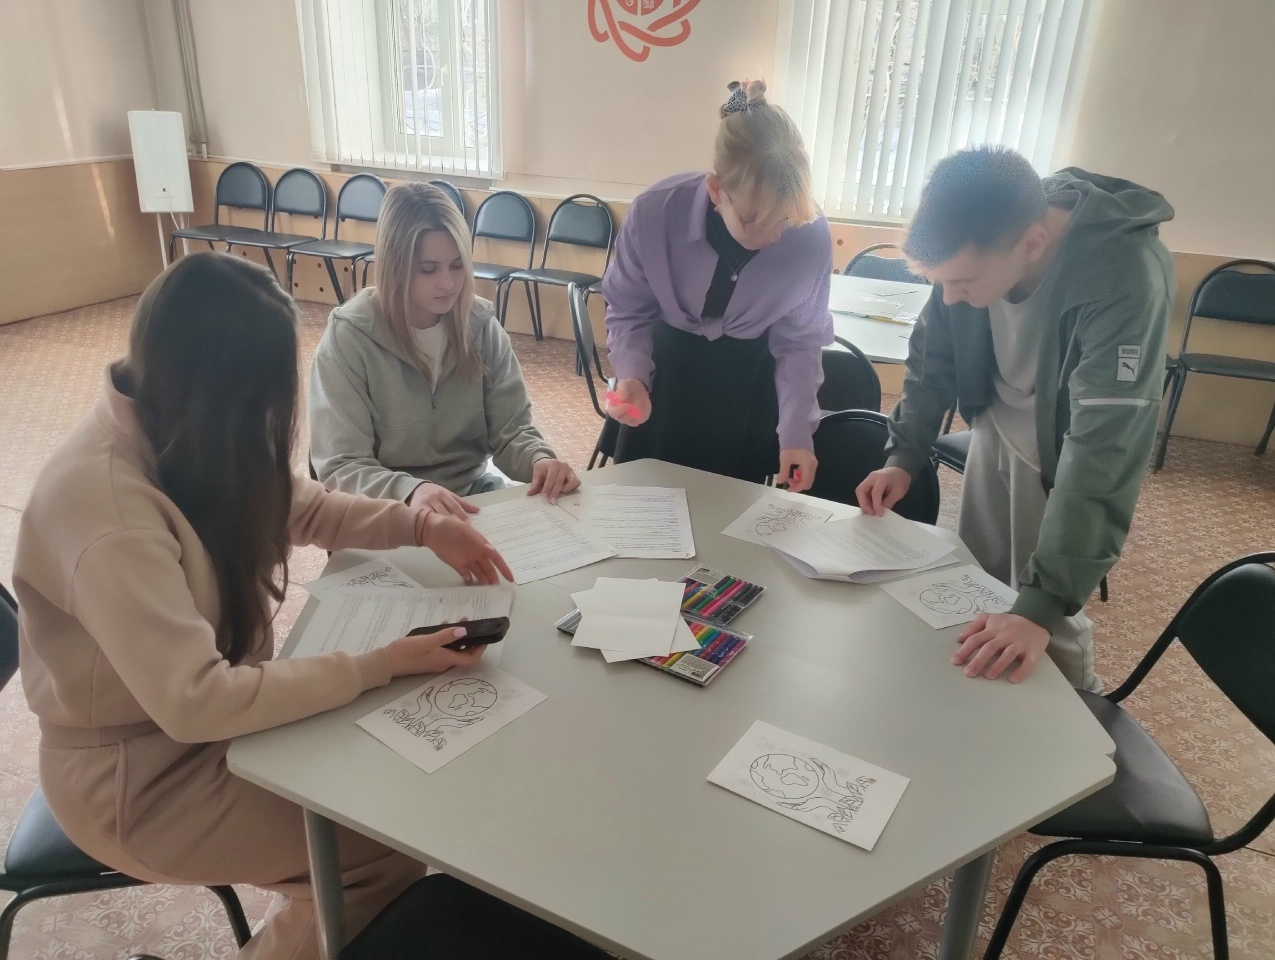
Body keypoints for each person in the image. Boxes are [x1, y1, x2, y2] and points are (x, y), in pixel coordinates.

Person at [14, 252, 515, 958]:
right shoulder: (106, 509)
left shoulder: (178, 423)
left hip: (204, 731)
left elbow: (303, 506)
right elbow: (197, 702)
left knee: (383, 794)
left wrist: (422, 525)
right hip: (139, 781)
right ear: (221, 392)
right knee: (375, 853)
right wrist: (379, 664)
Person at [856, 147, 1175, 691]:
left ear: (1032, 245)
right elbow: (933, 356)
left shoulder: (1126, 276)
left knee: (1043, 617)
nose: (948, 297)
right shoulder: (974, 241)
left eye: (963, 282)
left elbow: (1105, 449)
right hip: (996, 419)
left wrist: (1043, 604)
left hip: (1065, 446)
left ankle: (1082, 708)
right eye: (940, 282)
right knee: (981, 583)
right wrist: (904, 454)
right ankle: (988, 703)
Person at [603, 79, 833, 491]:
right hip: (664, 375)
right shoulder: (656, 212)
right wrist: (632, 375)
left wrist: (797, 434)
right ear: (716, 191)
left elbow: (800, 343)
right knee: (643, 503)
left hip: (744, 386)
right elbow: (627, 307)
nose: (771, 236)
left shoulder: (809, 236)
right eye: (751, 219)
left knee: (730, 508)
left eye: (783, 220)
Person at [310, 181, 580, 519]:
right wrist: (412, 491)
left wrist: (540, 460)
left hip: (471, 496)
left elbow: (512, 432)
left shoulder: (481, 326)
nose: (448, 283)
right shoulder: (349, 338)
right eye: (428, 269)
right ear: (395, 266)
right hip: (387, 510)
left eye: (457, 265)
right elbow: (342, 465)